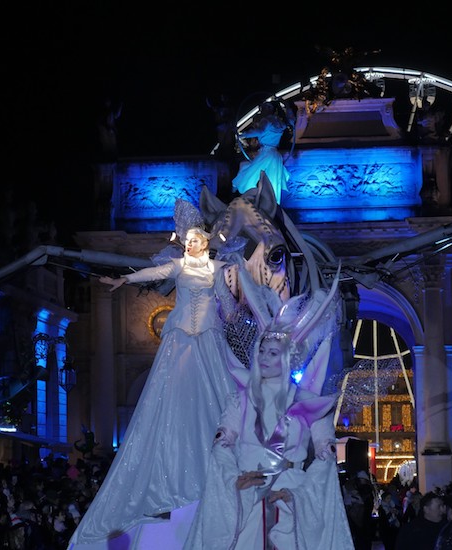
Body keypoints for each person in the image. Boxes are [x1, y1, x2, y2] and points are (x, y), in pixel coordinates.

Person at [67, 224, 242, 547]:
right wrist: (124, 279)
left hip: (208, 335)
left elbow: (230, 300)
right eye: (186, 241)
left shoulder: (219, 269)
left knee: (216, 397)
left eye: (193, 241)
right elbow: (153, 272)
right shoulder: (178, 266)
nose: (188, 245)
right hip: (180, 337)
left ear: (204, 244)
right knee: (170, 396)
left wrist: (237, 311)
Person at [184, 262, 353, 549]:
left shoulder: (308, 403)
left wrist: (300, 493)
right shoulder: (241, 400)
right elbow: (221, 446)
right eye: (261, 350)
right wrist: (233, 481)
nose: (263, 357)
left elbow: (325, 458)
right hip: (247, 500)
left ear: (286, 358)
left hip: (291, 499)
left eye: (272, 352)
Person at [231, 101, 293, 203]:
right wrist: (288, 107)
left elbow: (259, 131)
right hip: (275, 155)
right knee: (273, 181)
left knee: (251, 171)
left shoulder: (267, 120)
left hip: (266, 154)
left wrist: (242, 135)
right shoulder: (279, 122)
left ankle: (237, 187)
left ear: (268, 109)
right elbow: (291, 121)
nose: (261, 111)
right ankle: (273, 205)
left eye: (263, 109)